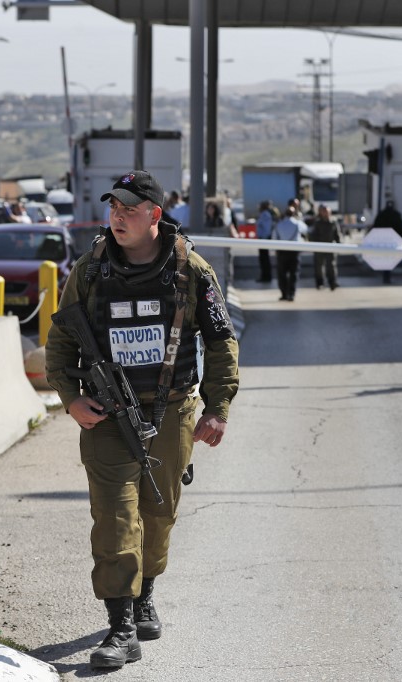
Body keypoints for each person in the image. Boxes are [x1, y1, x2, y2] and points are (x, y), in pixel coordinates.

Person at [45, 169, 239, 670]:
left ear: (155, 215)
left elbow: (221, 343)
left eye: (129, 209)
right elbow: (62, 341)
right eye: (113, 208)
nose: (118, 217)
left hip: (172, 411)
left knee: (158, 512)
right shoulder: (90, 271)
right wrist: (70, 398)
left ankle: (145, 592)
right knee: (114, 515)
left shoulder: (192, 271)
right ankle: (121, 625)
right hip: (107, 415)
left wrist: (216, 409)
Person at [271, 202, 308, 301]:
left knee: (282, 274)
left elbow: (274, 237)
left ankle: (284, 293)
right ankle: (291, 294)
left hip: (282, 252)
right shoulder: (297, 223)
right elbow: (305, 229)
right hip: (294, 251)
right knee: (294, 274)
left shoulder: (279, 224)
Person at [372, 199, 402, 284]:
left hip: (383, 240)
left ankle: (386, 276)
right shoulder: (395, 215)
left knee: (386, 259)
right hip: (392, 241)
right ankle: (386, 276)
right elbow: (401, 227)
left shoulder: (381, 214)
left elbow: (375, 227)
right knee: (389, 259)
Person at [309, 204, 342, 290]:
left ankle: (332, 282)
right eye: (324, 211)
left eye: (327, 212)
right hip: (319, 247)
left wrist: (339, 244)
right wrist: (314, 245)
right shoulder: (317, 223)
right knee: (319, 267)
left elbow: (337, 234)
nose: (325, 213)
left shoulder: (333, 222)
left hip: (331, 247)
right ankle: (320, 283)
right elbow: (312, 235)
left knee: (331, 266)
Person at [254, 200, 275, 283]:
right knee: (263, 259)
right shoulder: (264, 214)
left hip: (263, 239)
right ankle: (264, 276)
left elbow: (266, 228)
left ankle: (266, 277)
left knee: (264, 259)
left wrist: (263, 239)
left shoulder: (265, 215)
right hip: (262, 239)